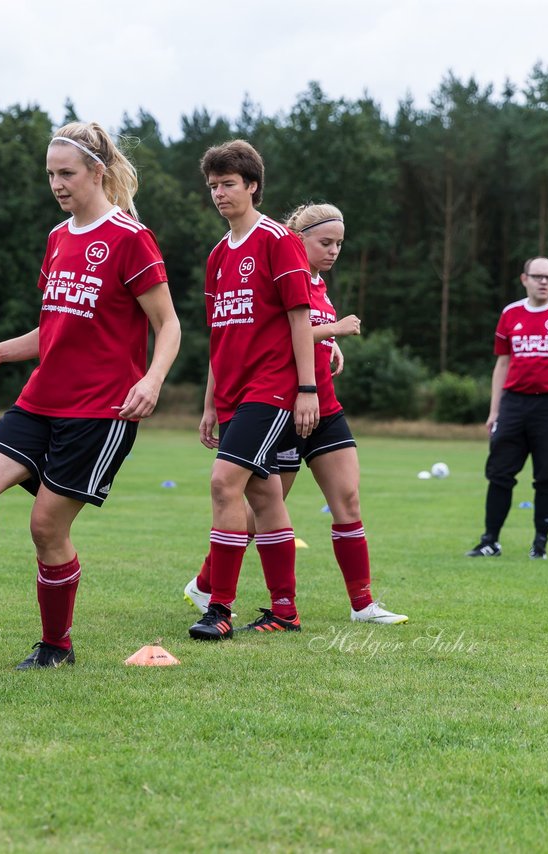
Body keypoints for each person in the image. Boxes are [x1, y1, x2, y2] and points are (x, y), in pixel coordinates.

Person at [0, 120, 181, 669]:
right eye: (50, 174)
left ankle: (56, 647)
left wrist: (151, 379)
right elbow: (56, 327)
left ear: (97, 172)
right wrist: (1, 351)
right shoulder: (58, 239)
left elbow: (169, 324)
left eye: (67, 173)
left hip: (99, 411)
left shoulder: (131, 238)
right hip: (41, 399)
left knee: (46, 527)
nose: (57, 184)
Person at [185, 203, 408, 625]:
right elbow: (271, 332)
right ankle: (208, 583)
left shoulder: (319, 285)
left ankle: (363, 605)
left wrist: (329, 342)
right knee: (264, 509)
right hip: (284, 406)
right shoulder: (278, 272)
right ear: (297, 237)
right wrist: (335, 329)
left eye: (340, 243)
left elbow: (305, 332)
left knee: (348, 499)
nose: (334, 250)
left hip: (325, 407)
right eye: (325, 242)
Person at [187, 140, 318, 641]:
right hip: (232, 394)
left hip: (273, 387)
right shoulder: (218, 255)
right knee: (265, 496)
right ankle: (284, 611)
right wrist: (209, 404)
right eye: (213, 186)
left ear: (253, 186)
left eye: (229, 184)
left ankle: (218, 609)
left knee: (224, 483)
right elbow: (220, 333)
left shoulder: (278, 240)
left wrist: (306, 388)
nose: (220, 193)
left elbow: (299, 317)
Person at [467, 257, 548, 560]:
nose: (543, 282)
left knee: (547, 476)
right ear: (524, 278)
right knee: (499, 473)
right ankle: (490, 541)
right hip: (514, 402)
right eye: (537, 276)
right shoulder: (510, 313)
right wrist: (494, 410)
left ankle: (540, 544)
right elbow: (502, 363)